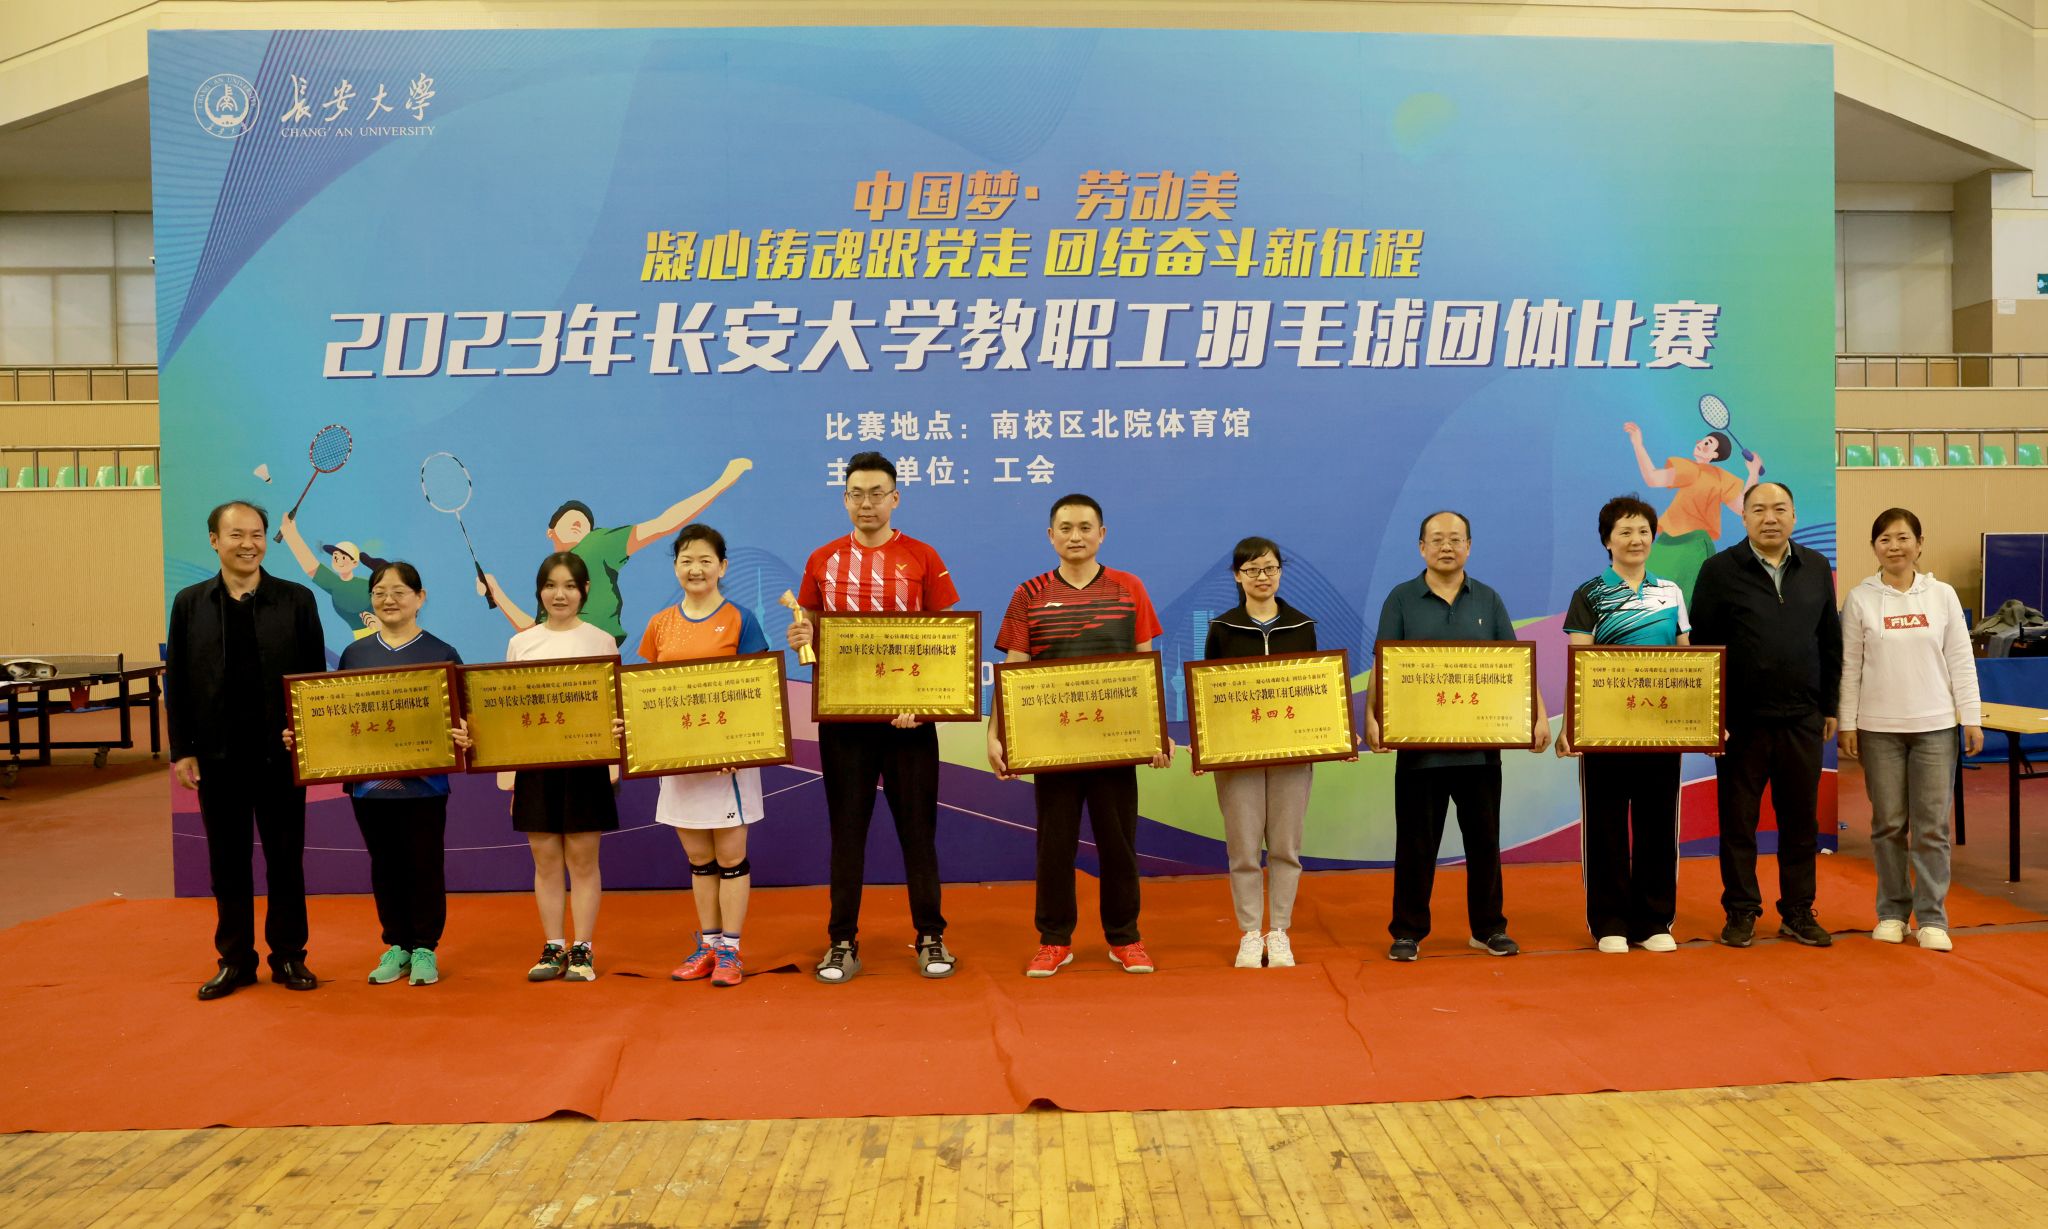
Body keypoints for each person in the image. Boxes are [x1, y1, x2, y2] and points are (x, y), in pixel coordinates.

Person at [789, 452, 960, 984]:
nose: (867, 503)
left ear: (895, 498)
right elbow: (810, 628)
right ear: (845, 499)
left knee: (918, 832)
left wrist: (923, 705)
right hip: (844, 724)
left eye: (877, 493)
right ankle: (841, 941)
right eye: (857, 493)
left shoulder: (923, 556)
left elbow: (946, 644)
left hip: (910, 724)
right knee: (847, 832)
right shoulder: (822, 560)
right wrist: (802, 636)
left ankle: (930, 935)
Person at [990, 493, 1172, 977]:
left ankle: (1125, 937)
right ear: (1051, 536)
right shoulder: (1028, 593)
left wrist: (1156, 731)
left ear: (1102, 534)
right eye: (1066, 528)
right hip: (1053, 744)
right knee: (1054, 845)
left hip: (1116, 742)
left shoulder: (1128, 587)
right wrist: (997, 733)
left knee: (1119, 843)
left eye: (1085, 527)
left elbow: (1144, 663)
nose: (1076, 536)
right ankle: (1054, 940)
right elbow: (1014, 667)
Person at [1364, 510, 1551, 962]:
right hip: (1420, 751)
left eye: (1455, 538)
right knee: (1415, 845)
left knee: (1484, 843)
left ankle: (1489, 929)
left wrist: (1540, 716)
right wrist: (1371, 715)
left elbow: (1516, 664)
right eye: (1437, 539)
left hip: (1480, 751)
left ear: (1469, 546)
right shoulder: (1401, 599)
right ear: (1421, 548)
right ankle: (1408, 931)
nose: (1446, 546)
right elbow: (1384, 663)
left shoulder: (1488, 599)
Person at [166, 501, 327, 1000]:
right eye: (236, 535)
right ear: (214, 540)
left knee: (286, 861)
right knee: (227, 863)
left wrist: (307, 736)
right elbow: (178, 682)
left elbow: (315, 681)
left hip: (281, 757)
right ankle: (235, 961)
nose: (248, 544)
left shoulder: (296, 600)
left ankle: (289, 956)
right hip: (218, 759)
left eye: (256, 534)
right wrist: (182, 750)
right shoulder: (190, 604)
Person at [281, 561, 464, 985]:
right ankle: (397, 944)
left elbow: (463, 715)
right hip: (370, 788)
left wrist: (462, 732)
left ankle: (425, 948)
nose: (389, 600)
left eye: (399, 592)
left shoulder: (441, 653)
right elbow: (336, 716)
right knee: (385, 865)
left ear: (420, 598)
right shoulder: (356, 654)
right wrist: (303, 735)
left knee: (424, 864)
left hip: (425, 786)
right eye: (380, 592)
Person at [1689, 482, 1842, 949]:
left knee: (1800, 823)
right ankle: (1740, 911)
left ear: (1794, 516)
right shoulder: (1719, 570)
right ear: (1744, 517)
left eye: (1779, 509)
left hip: (1802, 718)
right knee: (1738, 823)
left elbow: (1829, 640)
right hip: (1741, 723)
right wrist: (1712, 717)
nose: (1769, 518)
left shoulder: (1816, 567)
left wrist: (1829, 706)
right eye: (1758, 509)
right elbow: (1703, 649)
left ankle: (1797, 910)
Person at [1838, 508, 1984, 953]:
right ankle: (1892, 913)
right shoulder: (1860, 599)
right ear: (1874, 547)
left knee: (1931, 828)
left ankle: (1933, 918)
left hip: (1935, 728)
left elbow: (1961, 659)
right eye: (1884, 539)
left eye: (1903, 538)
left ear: (1920, 544)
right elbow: (1850, 666)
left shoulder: (1942, 596)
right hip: (1878, 730)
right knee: (1887, 825)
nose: (1894, 546)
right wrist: (1848, 722)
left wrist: (1971, 716)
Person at [1555, 496, 1692, 954]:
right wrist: (1572, 726)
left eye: (1643, 531)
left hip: (1662, 729)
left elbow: (1688, 662)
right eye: (1625, 532)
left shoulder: (1671, 592)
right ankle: (1609, 921)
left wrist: (1703, 721)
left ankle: (1654, 920)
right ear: (1607, 541)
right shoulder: (1590, 594)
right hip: (1604, 729)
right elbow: (1578, 664)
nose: (1636, 540)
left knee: (1658, 825)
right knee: (1606, 825)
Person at [639, 525, 770, 987]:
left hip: (728, 763)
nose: (695, 569)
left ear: (722, 567)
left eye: (705, 560)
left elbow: (755, 690)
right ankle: (709, 946)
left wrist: (738, 747)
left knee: (730, 856)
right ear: (676, 567)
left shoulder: (741, 620)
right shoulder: (659, 624)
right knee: (699, 857)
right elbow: (649, 696)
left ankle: (731, 950)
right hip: (680, 762)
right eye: (686, 560)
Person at [497, 552, 621, 981]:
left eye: (569, 585)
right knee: (546, 861)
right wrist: (512, 782)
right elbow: (509, 716)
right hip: (536, 768)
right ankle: (553, 947)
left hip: (586, 767)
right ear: (540, 591)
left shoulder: (602, 642)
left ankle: (582, 950)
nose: (559, 594)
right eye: (550, 585)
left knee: (583, 862)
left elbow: (611, 711)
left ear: (585, 590)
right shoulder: (521, 644)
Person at [1200, 537, 1322, 970]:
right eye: (1252, 570)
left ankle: (1280, 931)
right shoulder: (1222, 628)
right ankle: (1251, 933)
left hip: (1292, 755)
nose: (1262, 577)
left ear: (1281, 572)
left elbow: (1316, 691)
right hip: (1239, 758)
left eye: (1270, 568)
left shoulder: (1302, 627)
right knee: (1244, 849)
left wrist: (1335, 737)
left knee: (1286, 847)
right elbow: (1208, 695)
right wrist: (1207, 748)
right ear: (1237, 576)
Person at [480, 458, 752, 644]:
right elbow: (534, 633)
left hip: (598, 661)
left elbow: (664, 524)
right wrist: (497, 592)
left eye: (585, 520)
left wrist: (721, 483)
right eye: (569, 516)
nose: (579, 519)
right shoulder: (551, 583)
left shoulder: (599, 542)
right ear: (550, 532)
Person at [1623, 420, 1763, 601]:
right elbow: (1653, 478)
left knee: (1683, 598)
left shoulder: (1719, 477)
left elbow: (1744, 507)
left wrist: (1753, 473)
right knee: (1644, 592)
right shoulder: (1690, 469)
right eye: (1703, 440)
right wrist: (1638, 444)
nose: (1701, 443)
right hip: (1668, 540)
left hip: (1694, 544)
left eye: (1708, 443)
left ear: (1714, 454)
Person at [277, 512, 385, 640]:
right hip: (362, 643)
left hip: (384, 639)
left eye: (343, 557)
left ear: (355, 563)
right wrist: (291, 534)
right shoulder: (335, 584)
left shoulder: (365, 585)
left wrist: (382, 625)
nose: (338, 560)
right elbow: (311, 567)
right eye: (335, 556)